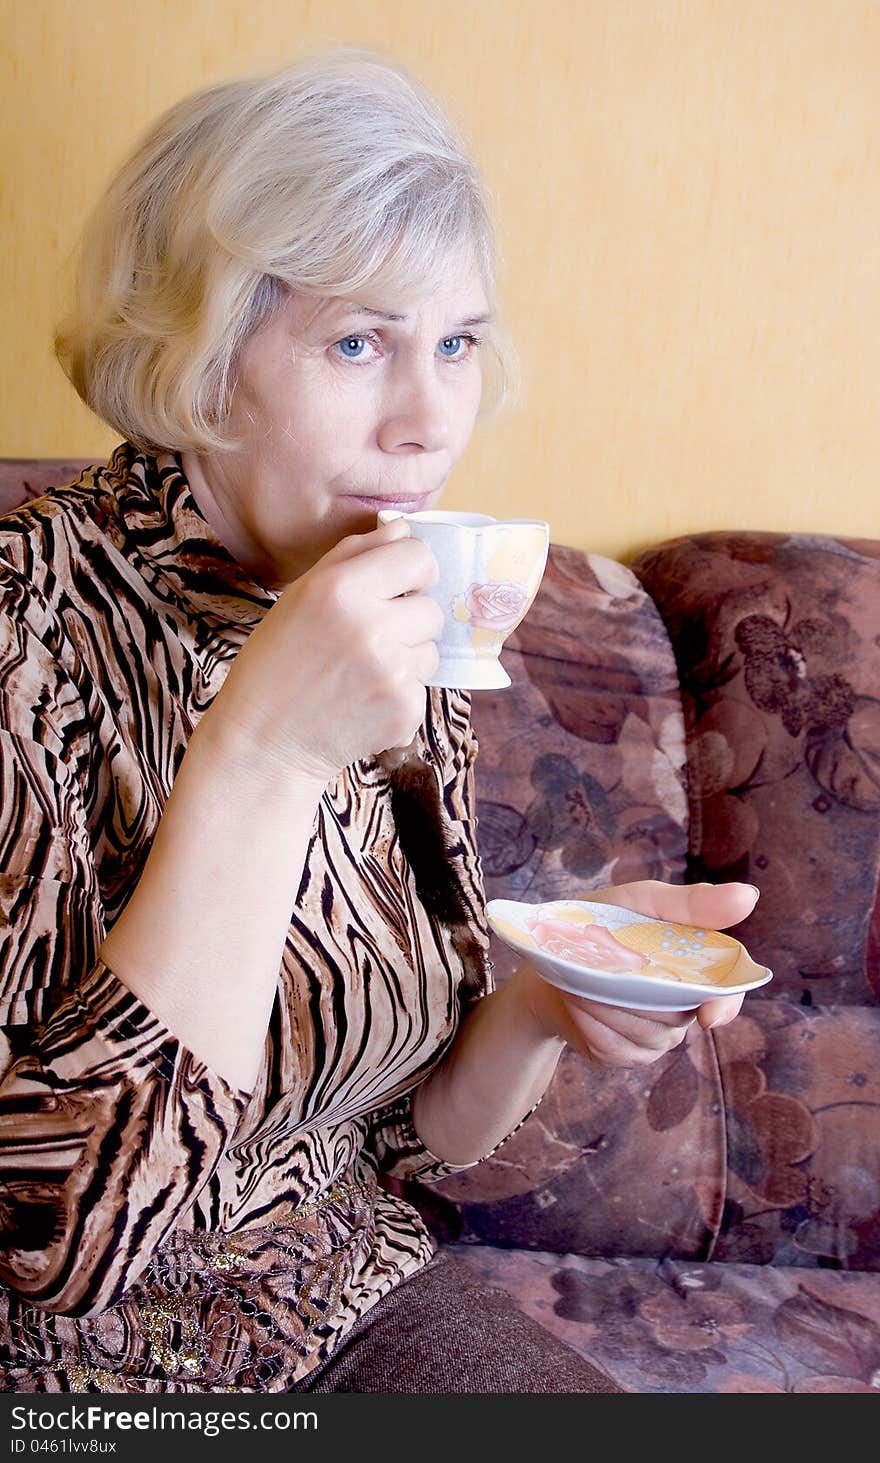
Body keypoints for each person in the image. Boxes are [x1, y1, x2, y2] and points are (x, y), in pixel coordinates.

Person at [0, 47, 753, 1395]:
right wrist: (267, 749)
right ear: (198, 362)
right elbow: (61, 1250)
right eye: (360, 342)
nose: (430, 423)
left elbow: (408, 1145)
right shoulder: (26, 632)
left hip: (348, 1294)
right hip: (85, 1368)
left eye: (456, 343)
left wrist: (542, 1003)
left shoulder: (399, 601)